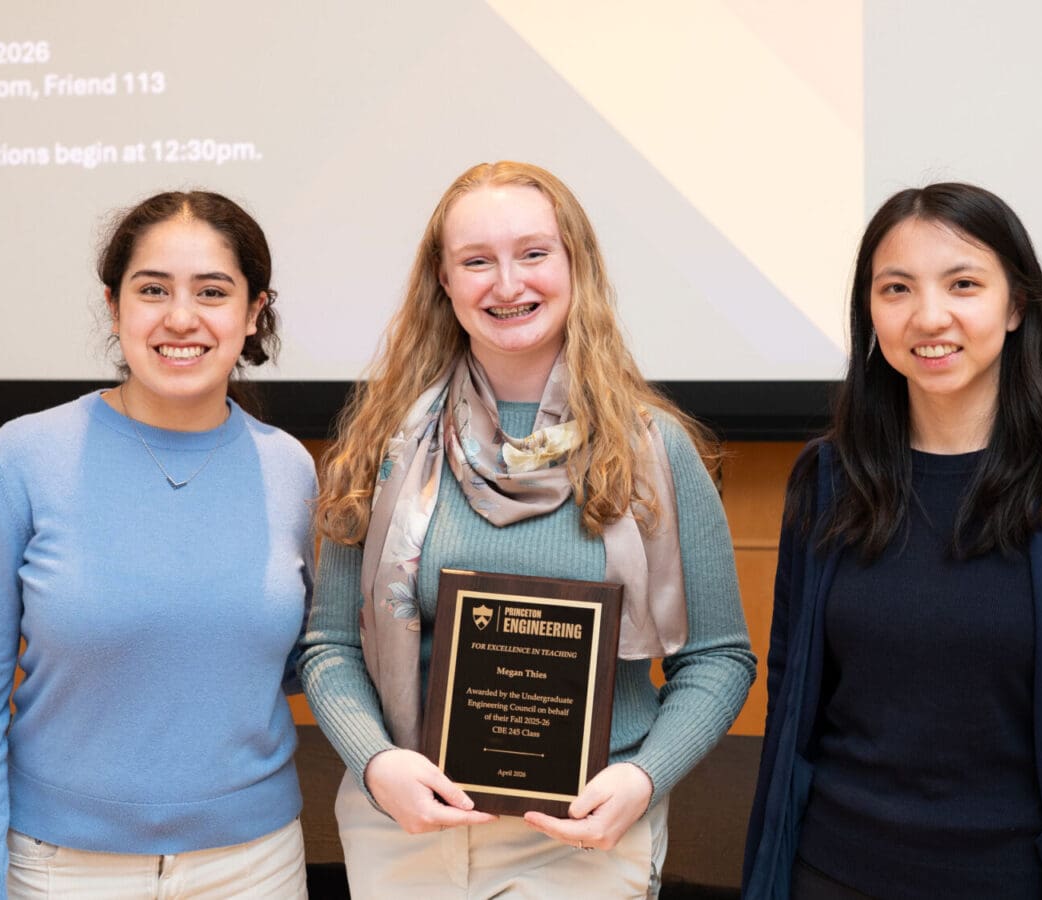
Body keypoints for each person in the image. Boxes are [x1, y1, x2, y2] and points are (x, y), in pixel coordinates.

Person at [300, 161, 756, 898]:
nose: (507, 284)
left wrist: (643, 779)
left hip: (582, 842)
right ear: (443, 284)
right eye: (476, 261)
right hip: (405, 831)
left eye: (534, 253)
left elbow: (718, 660)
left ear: (578, 266)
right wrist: (376, 763)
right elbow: (330, 643)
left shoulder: (652, 447)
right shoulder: (385, 444)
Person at [742, 183, 1042, 898]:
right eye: (897, 288)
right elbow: (792, 700)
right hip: (832, 873)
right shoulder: (827, 481)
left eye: (964, 284)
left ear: (1015, 308)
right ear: (870, 314)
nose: (929, 316)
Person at [0, 191, 316, 899]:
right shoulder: (21, 459)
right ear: (114, 307)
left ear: (255, 310)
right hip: (58, 869)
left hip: (255, 866)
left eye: (212, 291)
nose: (180, 317)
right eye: (152, 290)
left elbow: (304, 662)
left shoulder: (289, 469)